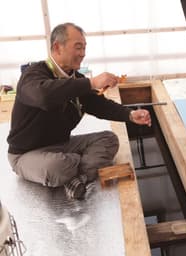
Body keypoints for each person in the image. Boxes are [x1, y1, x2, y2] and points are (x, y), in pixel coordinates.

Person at [7, 23, 151, 200]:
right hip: (25, 155)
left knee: (109, 139)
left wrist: (130, 115)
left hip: (61, 145)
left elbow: (99, 105)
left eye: (84, 48)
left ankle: (77, 178)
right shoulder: (33, 74)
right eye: (78, 47)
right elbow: (44, 96)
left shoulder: (76, 79)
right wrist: (91, 83)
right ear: (57, 47)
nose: (83, 53)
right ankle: (77, 169)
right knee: (57, 166)